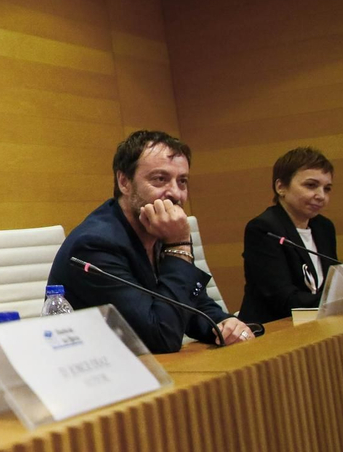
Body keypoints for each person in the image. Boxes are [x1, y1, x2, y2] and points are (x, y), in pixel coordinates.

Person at [47, 129, 254, 353]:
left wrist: (223, 324)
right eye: (160, 179)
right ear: (124, 182)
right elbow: (160, 338)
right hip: (94, 375)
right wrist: (178, 245)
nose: (176, 193)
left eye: (182, 181)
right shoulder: (95, 245)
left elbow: (190, 306)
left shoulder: (158, 229)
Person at [239, 147, 338, 324]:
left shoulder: (324, 227)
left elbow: (331, 285)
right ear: (281, 187)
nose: (321, 196)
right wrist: (338, 301)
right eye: (311, 185)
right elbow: (283, 300)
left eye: (327, 188)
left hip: (315, 323)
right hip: (273, 329)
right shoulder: (263, 229)